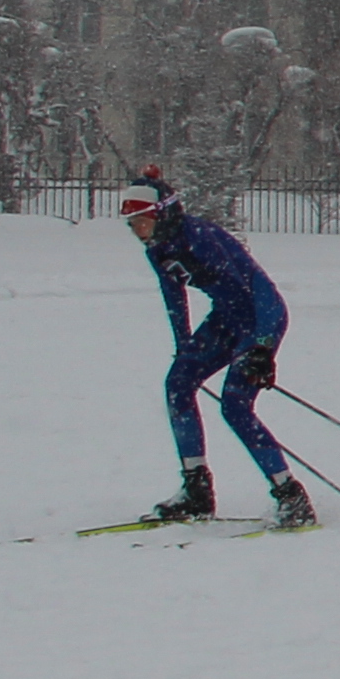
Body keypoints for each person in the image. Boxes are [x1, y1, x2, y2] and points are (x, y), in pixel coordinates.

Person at [120, 170, 313, 526]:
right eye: (131, 224)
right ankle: (197, 491)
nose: (136, 230)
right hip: (226, 318)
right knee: (177, 384)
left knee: (235, 406)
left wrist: (262, 347)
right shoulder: (158, 250)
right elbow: (174, 298)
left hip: (259, 318)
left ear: (161, 214)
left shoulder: (199, 238)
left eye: (140, 221)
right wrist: (185, 352)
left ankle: (291, 496)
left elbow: (254, 292)